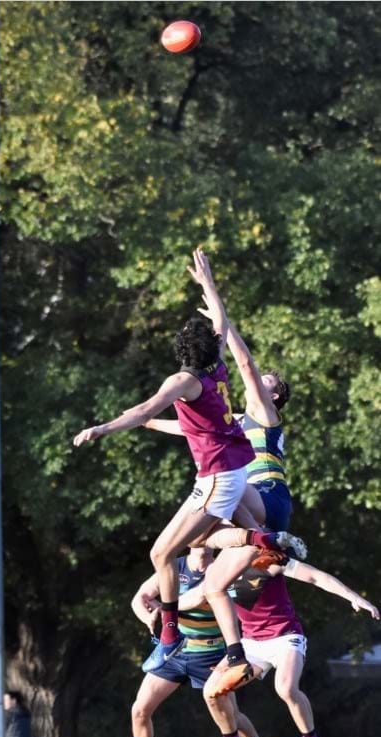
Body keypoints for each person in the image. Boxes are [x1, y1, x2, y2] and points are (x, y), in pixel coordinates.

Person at [72, 247, 305, 677]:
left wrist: (104, 428)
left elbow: (148, 405)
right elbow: (195, 413)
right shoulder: (216, 373)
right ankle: (263, 541)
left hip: (233, 482)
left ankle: (170, 635)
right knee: (206, 544)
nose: (262, 381)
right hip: (234, 476)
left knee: (163, 552)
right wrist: (210, 287)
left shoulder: (197, 384)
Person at [142, 249, 300, 697]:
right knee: (208, 571)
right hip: (252, 500)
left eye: (268, 383)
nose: (259, 380)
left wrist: (217, 311)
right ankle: (237, 656)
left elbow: (244, 364)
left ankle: (265, 541)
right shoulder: (238, 421)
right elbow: (196, 427)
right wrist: (148, 420)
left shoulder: (265, 416)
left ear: (274, 397)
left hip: (267, 497)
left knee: (213, 505)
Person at [110, 547, 289, 737]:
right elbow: (140, 598)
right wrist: (149, 618)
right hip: (175, 652)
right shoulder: (175, 567)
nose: (203, 540)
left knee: (233, 716)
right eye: (199, 534)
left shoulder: (222, 568)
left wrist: (165, 608)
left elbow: (200, 596)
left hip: (211, 654)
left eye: (208, 535)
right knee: (140, 709)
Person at [198, 549, 378, 737]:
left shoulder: (268, 559)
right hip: (251, 644)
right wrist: (164, 609)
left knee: (285, 688)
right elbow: (195, 598)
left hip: (285, 637)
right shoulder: (216, 571)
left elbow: (316, 576)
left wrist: (353, 596)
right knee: (211, 692)